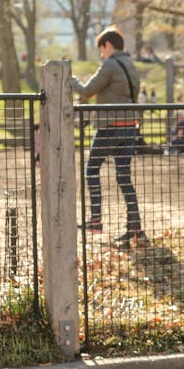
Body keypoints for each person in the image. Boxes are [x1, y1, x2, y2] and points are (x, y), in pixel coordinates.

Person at [71, 25, 146, 247]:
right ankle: (135, 228)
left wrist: (70, 79)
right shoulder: (130, 64)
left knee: (91, 170)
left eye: (101, 49)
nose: (101, 53)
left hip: (110, 126)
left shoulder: (110, 65)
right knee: (124, 177)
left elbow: (86, 90)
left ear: (108, 45)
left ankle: (95, 219)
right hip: (130, 126)